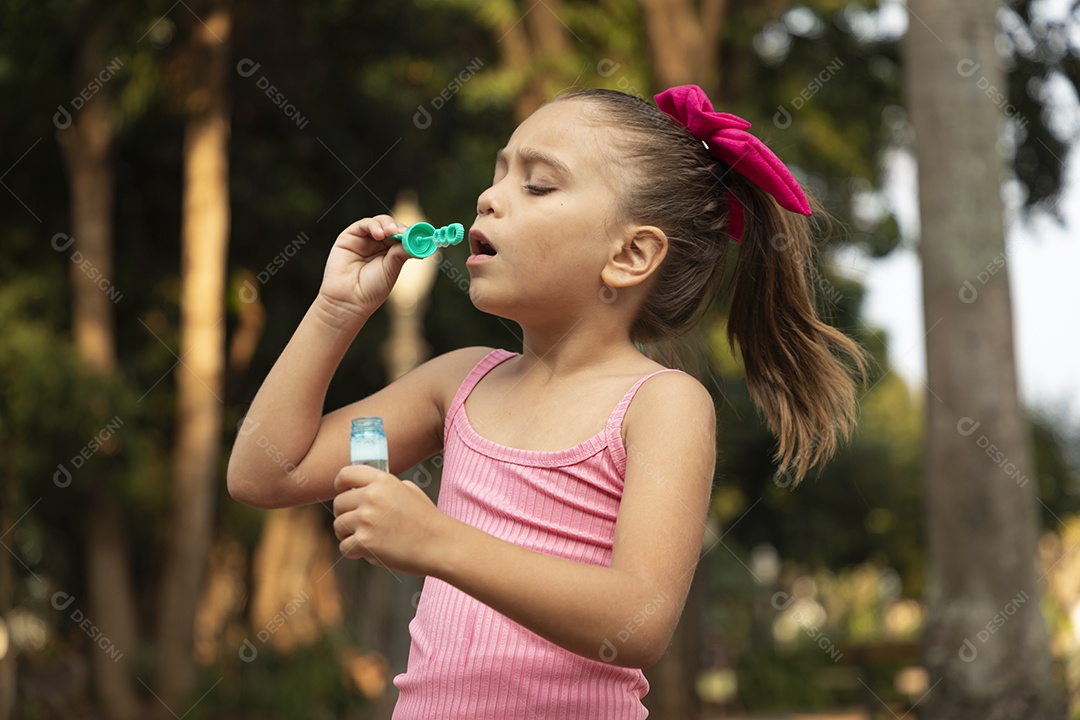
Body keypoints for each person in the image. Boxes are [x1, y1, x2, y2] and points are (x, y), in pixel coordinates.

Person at [227, 85, 867, 718]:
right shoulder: (457, 383)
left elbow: (639, 621)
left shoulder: (661, 404)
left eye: (536, 185)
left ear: (630, 254)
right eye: (498, 174)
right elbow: (265, 471)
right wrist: (337, 309)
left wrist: (438, 542)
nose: (487, 198)